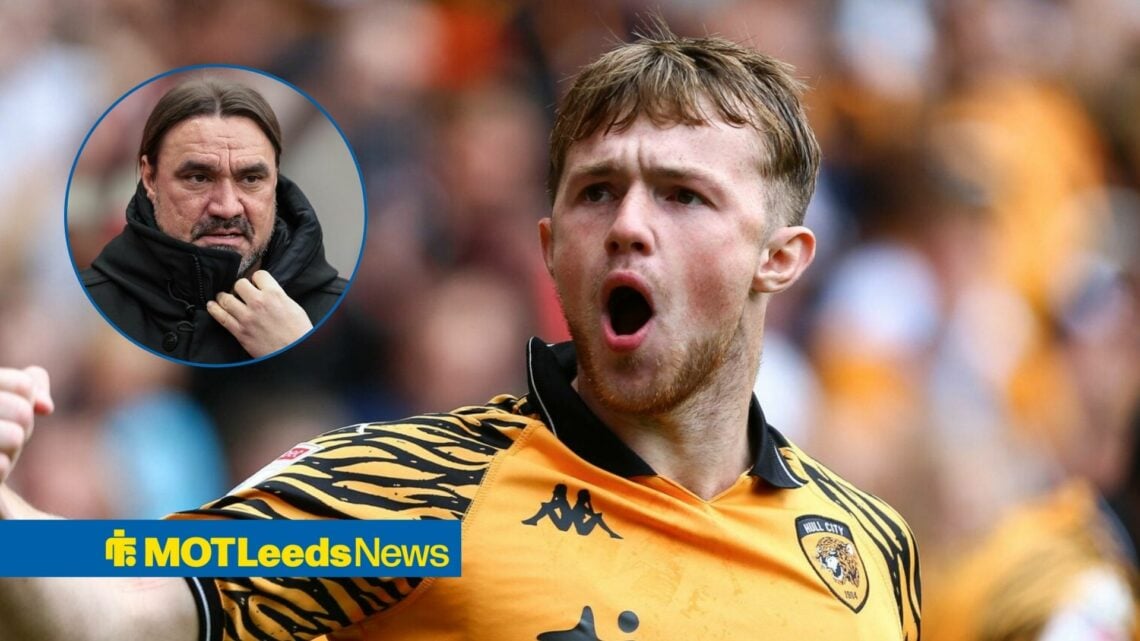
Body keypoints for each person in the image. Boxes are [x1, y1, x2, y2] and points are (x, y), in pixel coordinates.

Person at [1, 24, 921, 640]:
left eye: (684, 195)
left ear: (784, 257)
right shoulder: (408, 496)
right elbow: (122, 599)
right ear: (553, 250)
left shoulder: (870, 548)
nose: (631, 225)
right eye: (597, 191)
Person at [78, 78, 348, 364]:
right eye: (199, 178)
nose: (227, 207)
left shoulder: (336, 315)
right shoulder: (89, 306)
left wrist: (293, 347)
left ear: (276, 179)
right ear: (149, 178)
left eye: (251, 179)